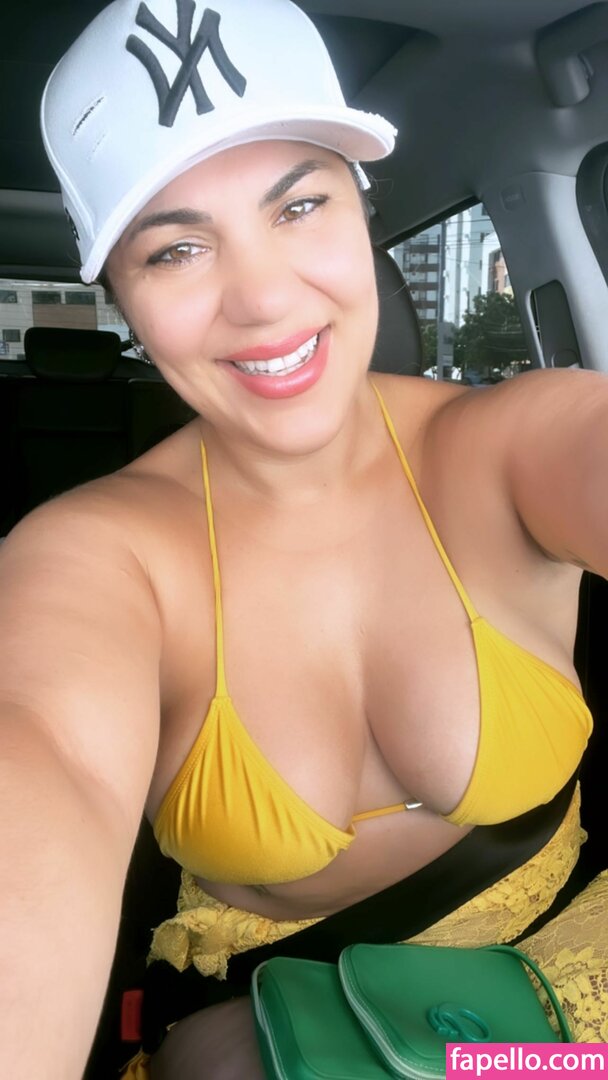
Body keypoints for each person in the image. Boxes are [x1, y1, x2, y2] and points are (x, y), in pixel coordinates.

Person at [2, 0, 608, 1076]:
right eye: (177, 249)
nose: (265, 298)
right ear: (123, 299)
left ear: (361, 213)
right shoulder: (94, 555)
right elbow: (39, 762)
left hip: (568, 988)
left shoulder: (506, 442)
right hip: (281, 1026)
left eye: (299, 205)